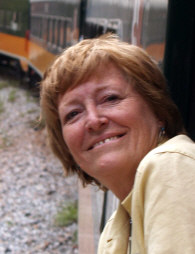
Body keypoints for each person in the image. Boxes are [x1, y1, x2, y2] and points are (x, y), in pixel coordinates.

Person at [40, 33, 195, 254]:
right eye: (73, 114)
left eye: (110, 98)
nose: (93, 121)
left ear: (157, 110)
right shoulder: (116, 228)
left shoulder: (171, 165)